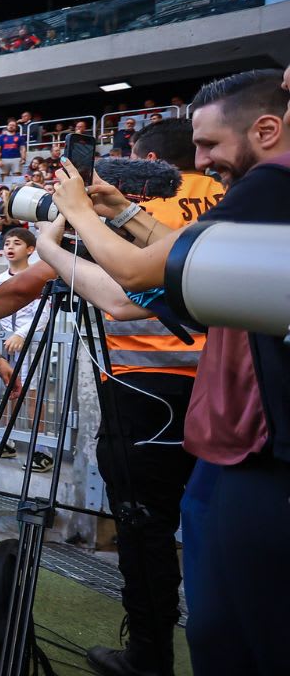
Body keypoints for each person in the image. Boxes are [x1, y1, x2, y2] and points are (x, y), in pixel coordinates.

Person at [47, 68, 290, 675]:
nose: (200, 161)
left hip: (256, 442)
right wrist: (125, 210)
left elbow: (135, 279)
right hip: (231, 437)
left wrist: (75, 213)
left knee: (235, 626)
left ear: (266, 130)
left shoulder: (271, 186)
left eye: (208, 146)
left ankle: (149, 654)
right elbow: (195, 263)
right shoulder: (259, 195)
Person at [0, 227, 53, 471]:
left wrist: (22, 334)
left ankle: (40, 450)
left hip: (31, 345)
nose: (10, 247)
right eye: (7, 243)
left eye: (17, 243)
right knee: (8, 393)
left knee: (32, 396)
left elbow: (43, 313)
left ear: (30, 249)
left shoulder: (38, 277)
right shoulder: (0, 280)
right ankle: (4, 440)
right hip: (5, 346)